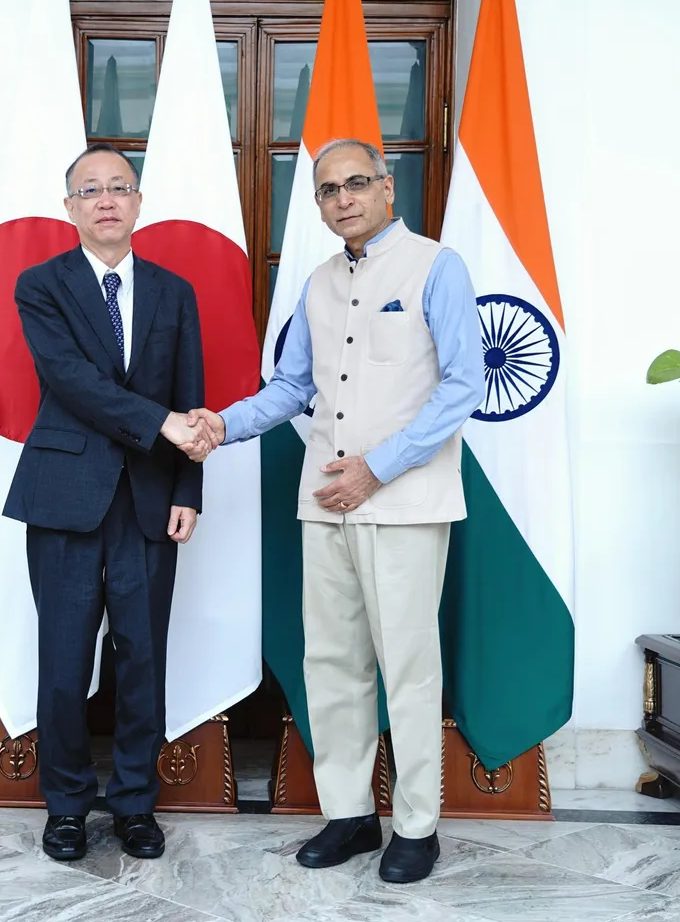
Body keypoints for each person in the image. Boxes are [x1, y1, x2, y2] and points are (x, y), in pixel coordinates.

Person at [186, 138, 484, 884]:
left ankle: (416, 826)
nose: (342, 198)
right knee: (332, 665)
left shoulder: (436, 267)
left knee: (409, 668)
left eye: (356, 183)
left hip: (404, 502)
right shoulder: (315, 282)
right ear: (317, 204)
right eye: (327, 190)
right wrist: (221, 425)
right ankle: (348, 815)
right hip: (323, 503)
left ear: (388, 187)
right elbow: (290, 389)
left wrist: (375, 468)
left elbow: (462, 386)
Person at [3, 143, 218, 864]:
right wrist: (156, 422)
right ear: (69, 208)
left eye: (118, 188)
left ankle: (132, 803)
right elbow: (68, 380)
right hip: (65, 496)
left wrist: (188, 488)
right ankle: (65, 807)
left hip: (152, 499)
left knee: (141, 658)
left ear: (137, 203)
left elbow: (190, 392)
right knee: (64, 663)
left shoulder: (173, 291)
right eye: (89, 189)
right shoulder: (41, 285)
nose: (105, 199)